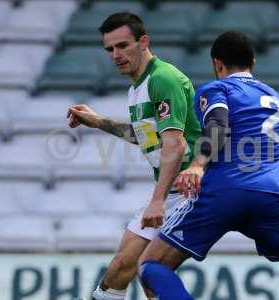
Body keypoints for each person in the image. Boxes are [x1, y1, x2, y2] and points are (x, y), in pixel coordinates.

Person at [137, 31, 279, 300]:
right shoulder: (278, 99)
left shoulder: (217, 89)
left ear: (217, 64)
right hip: (274, 195)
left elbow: (218, 125)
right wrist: (268, 153)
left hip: (225, 190)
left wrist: (198, 165)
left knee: (152, 265)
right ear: (253, 63)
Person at [67, 12, 201, 300]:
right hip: (173, 191)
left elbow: (174, 145)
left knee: (138, 269)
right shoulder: (137, 88)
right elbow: (148, 136)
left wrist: (157, 200)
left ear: (143, 42)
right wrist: (100, 122)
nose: (116, 54)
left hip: (188, 190)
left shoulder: (162, 79)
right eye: (110, 49)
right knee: (134, 274)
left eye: (123, 46)